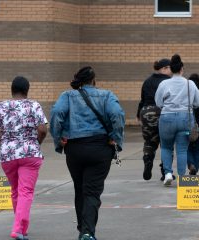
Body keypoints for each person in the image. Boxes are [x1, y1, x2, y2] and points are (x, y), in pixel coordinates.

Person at [50, 66, 125, 240]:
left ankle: (82, 228)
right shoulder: (107, 95)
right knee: (92, 192)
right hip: (100, 147)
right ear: (94, 80)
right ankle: (87, 231)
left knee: (80, 189)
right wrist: (115, 137)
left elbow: (56, 113)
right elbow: (117, 114)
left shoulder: (67, 96)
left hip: (75, 148)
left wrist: (59, 138)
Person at [0, 76, 47, 240]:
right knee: (26, 192)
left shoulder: (0, 106)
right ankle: (18, 229)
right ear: (27, 90)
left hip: (8, 154)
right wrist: (37, 142)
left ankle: (20, 227)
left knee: (15, 191)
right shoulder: (34, 105)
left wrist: (3, 142)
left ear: (11, 90)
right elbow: (42, 129)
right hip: (30, 153)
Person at [154, 54, 199, 186]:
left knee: (166, 147)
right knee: (182, 149)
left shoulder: (164, 83)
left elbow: (158, 102)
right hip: (185, 118)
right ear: (182, 69)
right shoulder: (190, 84)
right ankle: (182, 177)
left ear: (171, 69)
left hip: (167, 118)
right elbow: (198, 102)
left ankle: (168, 173)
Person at [136, 58, 172, 181]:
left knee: (149, 141)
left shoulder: (147, 81)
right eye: (170, 68)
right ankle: (165, 172)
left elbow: (142, 99)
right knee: (166, 143)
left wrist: (138, 115)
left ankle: (147, 159)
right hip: (162, 111)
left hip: (146, 112)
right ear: (164, 68)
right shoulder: (169, 81)